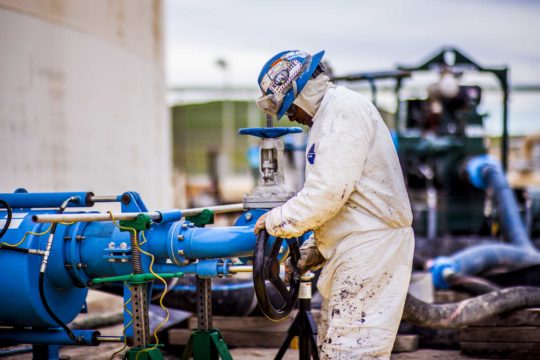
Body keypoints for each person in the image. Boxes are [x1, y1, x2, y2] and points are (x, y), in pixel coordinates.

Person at [253, 50, 415, 359]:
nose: (290, 116)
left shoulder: (342, 111)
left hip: (370, 249)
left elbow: (328, 194)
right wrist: (316, 246)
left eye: (289, 106)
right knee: (335, 350)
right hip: (357, 248)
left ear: (302, 91)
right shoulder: (328, 118)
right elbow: (346, 199)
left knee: (351, 353)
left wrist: (276, 221)